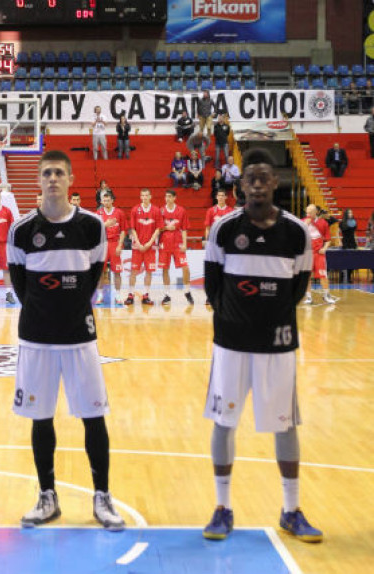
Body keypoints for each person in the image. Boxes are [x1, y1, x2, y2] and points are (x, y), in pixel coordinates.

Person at [202, 148, 322, 544]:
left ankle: (291, 510)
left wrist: (270, 316)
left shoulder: (295, 232)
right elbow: (214, 287)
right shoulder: (223, 229)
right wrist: (237, 319)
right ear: (240, 185)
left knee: (285, 425)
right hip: (232, 344)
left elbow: (299, 288)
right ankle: (222, 507)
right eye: (250, 176)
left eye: (264, 177)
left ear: (275, 183)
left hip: (278, 346)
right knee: (225, 422)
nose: (256, 183)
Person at [8, 150, 125, 531]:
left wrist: (70, 307)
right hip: (37, 337)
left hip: (79, 336)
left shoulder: (91, 226)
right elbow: (21, 284)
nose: (53, 178)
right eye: (46, 173)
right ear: (38, 181)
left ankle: (102, 497)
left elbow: (94, 275)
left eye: (59, 172)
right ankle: (47, 497)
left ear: (71, 178)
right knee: (41, 418)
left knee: (93, 416)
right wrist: (46, 310)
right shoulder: (21, 230)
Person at [124, 188, 162, 305]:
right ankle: (130, 295)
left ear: (150, 197)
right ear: (140, 197)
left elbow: (158, 228)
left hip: (150, 246)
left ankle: (146, 295)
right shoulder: (135, 210)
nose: (145, 198)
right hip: (137, 247)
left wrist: (150, 242)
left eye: (147, 195)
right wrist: (139, 243)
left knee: (149, 272)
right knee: (134, 271)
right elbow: (133, 228)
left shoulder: (156, 210)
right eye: (143, 196)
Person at [158, 190, 194, 305]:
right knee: (165, 269)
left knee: (185, 268)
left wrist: (185, 244)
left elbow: (184, 229)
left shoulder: (181, 210)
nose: (167, 199)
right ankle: (167, 295)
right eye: (166, 196)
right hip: (164, 243)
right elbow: (158, 228)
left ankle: (187, 291)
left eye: (169, 196)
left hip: (178, 242)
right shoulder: (161, 211)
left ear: (174, 198)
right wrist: (167, 228)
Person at [302, 204, 339, 304]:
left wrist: (324, 248)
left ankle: (326, 295)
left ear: (316, 212)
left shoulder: (323, 223)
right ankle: (308, 297)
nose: (308, 214)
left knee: (323, 275)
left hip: (319, 253)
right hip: (307, 253)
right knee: (307, 276)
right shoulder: (302, 222)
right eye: (307, 212)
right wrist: (306, 224)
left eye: (310, 212)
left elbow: (328, 240)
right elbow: (299, 236)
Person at [96, 191, 126, 305]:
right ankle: (100, 296)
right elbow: (94, 230)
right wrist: (105, 225)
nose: (106, 202)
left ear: (112, 200)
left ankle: (118, 295)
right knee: (100, 272)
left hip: (114, 244)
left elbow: (123, 230)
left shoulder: (119, 213)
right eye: (104, 200)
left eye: (108, 200)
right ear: (101, 201)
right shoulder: (98, 213)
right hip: (102, 244)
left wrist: (120, 245)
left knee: (117, 272)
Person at [339, 209, 358, 282]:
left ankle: (349, 276)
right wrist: (339, 241)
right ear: (346, 214)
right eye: (349, 213)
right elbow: (338, 232)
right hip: (345, 243)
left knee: (352, 261)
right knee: (344, 260)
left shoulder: (354, 222)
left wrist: (356, 243)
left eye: (351, 212)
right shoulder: (341, 223)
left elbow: (354, 233)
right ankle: (342, 276)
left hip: (352, 243)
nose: (351, 214)